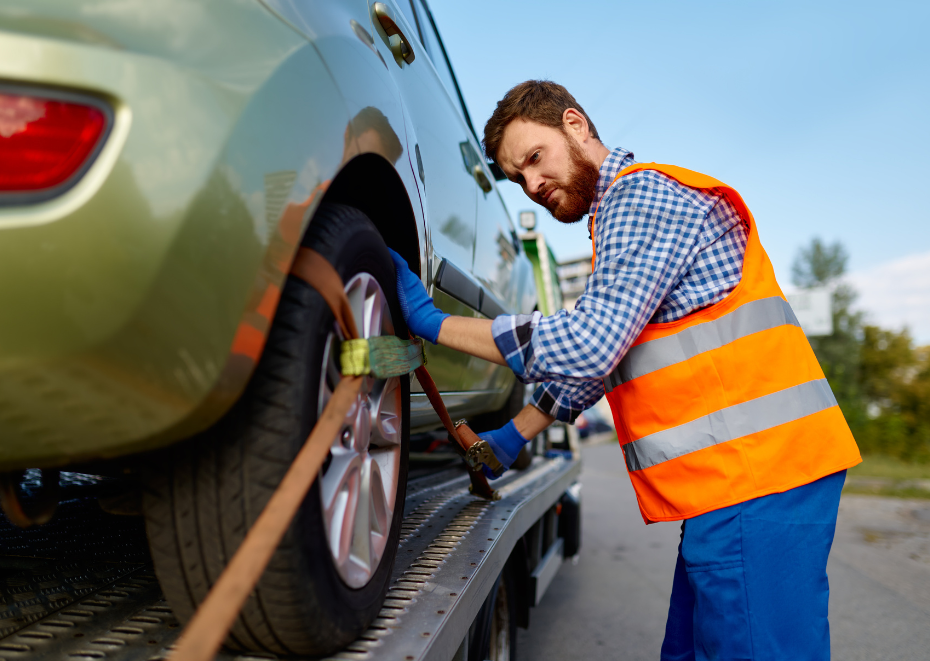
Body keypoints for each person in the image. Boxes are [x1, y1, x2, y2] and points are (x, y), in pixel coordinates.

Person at [389, 80, 861, 660]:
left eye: (534, 158)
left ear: (575, 125)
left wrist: (434, 325)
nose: (532, 186)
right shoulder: (618, 218)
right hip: (743, 480)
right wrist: (516, 433)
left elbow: (589, 344)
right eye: (518, 179)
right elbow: (606, 360)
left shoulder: (640, 200)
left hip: (759, 477)